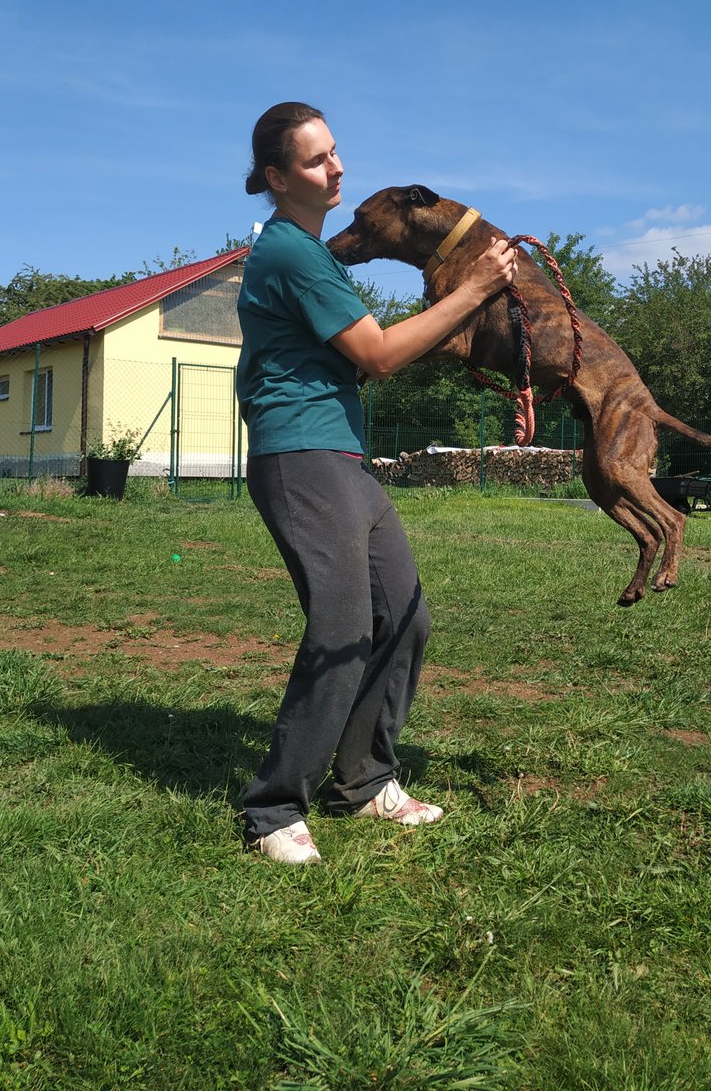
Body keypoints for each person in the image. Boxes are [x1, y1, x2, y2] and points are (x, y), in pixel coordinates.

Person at [235, 101, 517, 864]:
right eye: (317, 159)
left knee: (405, 617)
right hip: (299, 457)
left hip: (343, 457)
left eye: (336, 152)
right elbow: (381, 355)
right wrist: (475, 288)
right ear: (276, 176)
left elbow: (391, 346)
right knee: (343, 629)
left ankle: (363, 781)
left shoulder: (317, 256)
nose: (338, 168)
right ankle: (271, 811)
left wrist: (486, 350)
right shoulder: (290, 252)